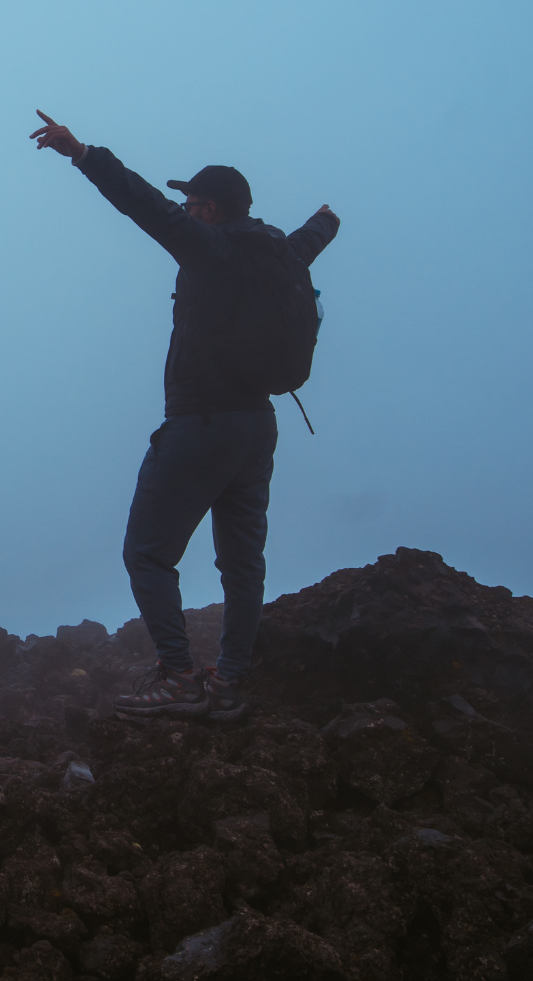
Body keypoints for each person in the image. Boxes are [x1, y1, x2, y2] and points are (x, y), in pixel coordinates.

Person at [29, 110, 340, 721]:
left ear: (214, 209)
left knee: (147, 554)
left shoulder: (211, 249)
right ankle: (230, 682)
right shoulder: (281, 252)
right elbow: (312, 238)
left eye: (195, 201)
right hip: (257, 427)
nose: (188, 210)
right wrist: (328, 219)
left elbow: (143, 205)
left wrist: (84, 154)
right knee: (243, 562)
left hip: (202, 424)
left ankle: (178, 677)